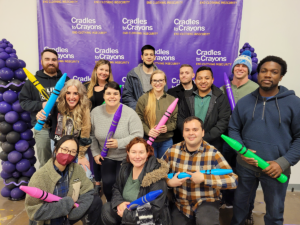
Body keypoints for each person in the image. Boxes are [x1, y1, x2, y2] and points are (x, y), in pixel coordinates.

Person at [229, 56, 300, 225]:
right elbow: (233, 129)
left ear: (281, 77)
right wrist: (241, 151)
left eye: (274, 72)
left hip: (275, 169)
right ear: (258, 74)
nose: (268, 75)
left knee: (275, 214)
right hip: (246, 167)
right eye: (264, 71)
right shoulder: (245, 102)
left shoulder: (294, 103)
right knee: (239, 208)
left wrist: (283, 163)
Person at [164, 116, 238, 225]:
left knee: (205, 222)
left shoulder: (213, 153)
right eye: (187, 130)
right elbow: (157, 174)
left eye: (195, 130)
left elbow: (233, 181)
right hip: (181, 204)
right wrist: (169, 183)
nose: (191, 133)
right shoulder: (172, 150)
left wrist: (205, 178)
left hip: (207, 202)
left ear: (202, 133)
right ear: (183, 133)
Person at [25, 135, 103, 225]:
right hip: (49, 220)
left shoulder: (77, 169)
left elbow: (88, 192)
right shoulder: (40, 176)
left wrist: (74, 213)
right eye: (64, 149)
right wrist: (66, 205)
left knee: (96, 201)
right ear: (56, 150)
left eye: (72, 152)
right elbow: (34, 211)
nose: (67, 154)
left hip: (68, 216)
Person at [219, 50, 259, 220]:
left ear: (248, 70)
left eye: (244, 66)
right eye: (238, 65)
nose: (240, 68)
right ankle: (228, 202)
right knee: (226, 170)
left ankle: (247, 211)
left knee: (246, 175)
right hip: (227, 136)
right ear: (233, 68)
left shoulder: (256, 88)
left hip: (247, 138)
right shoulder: (223, 88)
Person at [90, 81, 144, 202]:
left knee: (123, 186)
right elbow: (91, 135)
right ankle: (112, 207)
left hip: (126, 157)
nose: (112, 96)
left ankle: (124, 211)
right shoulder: (95, 113)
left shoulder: (130, 113)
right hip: (106, 157)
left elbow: (138, 135)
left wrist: (119, 143)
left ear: (120, 96)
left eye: (115, 93)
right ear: (103, 96)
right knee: (108, 185)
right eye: (108, 93)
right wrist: (95, 153)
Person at [101, 137, 171, 225]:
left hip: (148, 219)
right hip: (127, 210)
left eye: (141, 152)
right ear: (128, 153)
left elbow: (154, 211)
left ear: (147, 154)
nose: (137, 156)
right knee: (107, 208)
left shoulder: (155, 175)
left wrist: (127, 215)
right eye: (133, 152)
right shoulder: (125, 168)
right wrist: (120, 203)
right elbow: (116, 188)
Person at [19, 49, 69, 167]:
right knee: (46, 163)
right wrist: (41, 105)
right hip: (43, 128)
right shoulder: (31, 82)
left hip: (62, 127)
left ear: (57, 62)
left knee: (63, 161)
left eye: (54, 60)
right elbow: (24, 102)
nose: (50, 62)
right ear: (41, 62)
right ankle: (45, 185)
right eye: (47, 59)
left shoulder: (66, 81)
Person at [36, 79, 92, 179]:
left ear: (80, 95)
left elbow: (85, 133)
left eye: (75, 93)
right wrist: (41, 118)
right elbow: (47, 124)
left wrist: (81, 155)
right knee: (57, 175)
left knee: (85, 175)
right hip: (58, 145)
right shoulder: (56, 105)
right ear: (64, 94)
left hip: (77, 147)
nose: (71, 97)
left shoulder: (85, 108)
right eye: (68, 93)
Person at [177, 66, 231, 151]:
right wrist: (190, 135)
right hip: (189, 143)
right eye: (199, 78)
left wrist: (204, 138)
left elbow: (223, 122)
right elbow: (180, 118)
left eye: (207, 78)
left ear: (212, 80)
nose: (203, 81)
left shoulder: (221, 98)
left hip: (213, 145)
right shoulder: (186, 96)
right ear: (195, 80)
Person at [84, 59, 114, 195]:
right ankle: (97, 183)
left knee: (107, 155)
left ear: (109, 72)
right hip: (91, 127)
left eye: (106, 70)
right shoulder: (86, 87)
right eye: (101, 69)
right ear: (96, 70)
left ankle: (109, 182)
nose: (103, 72)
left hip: (108, 126)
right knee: (95, 155)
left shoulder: (113, 88)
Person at [136, 70, 178, 158]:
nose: (157, 83)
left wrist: (167, 128)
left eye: (161, 80)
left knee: (165, 168)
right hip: (148, 140)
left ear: (165, 82)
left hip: (166, 141)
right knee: (150, 169)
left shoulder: (171, 99)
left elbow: (175, 121)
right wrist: (148, 131)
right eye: (155, 80)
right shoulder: (143, 99)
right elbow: (138, 119)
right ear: (151, 82)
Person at [122, 44, 168, 110]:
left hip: (156, 113)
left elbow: (165, 95)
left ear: (154, 57)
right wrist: (139, 108)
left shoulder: (161, 75)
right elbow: (127, 96)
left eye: (151, 55)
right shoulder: (132, 74)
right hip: (138, 113)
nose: (149, 57)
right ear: (142, 57)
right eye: (146, 55)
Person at [167, 64, 197, 144]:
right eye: (181, 73)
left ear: (193, 75)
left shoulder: (200, 91)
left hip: (196, 133)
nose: (184, 75)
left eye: (187, 73)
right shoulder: (171, 93)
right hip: (177, 135)